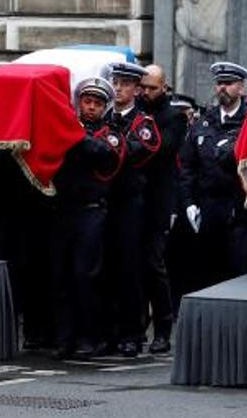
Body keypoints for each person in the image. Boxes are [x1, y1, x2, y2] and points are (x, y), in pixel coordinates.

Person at [50, 77, 124, 360]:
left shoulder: (109, 132)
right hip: (63, 211)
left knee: (86, 277)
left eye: (97, 103)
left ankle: (89, 338)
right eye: (86, 101)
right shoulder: (68, 130)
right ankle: (64, 338)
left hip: (91, 212)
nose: (91, 107)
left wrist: (74, 133)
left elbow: (104, 155)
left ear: (104, 107)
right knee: (61, 277)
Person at [104, 61, 161, 357]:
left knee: (129, 269)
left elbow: (132, 154)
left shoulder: (144, 123)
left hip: (129, 203)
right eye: (115, 82)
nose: (118, 88)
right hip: (105, 202)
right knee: (107, 268)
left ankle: (132, 333)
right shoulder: (105, 118)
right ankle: (110, 331)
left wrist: (107, 145)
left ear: (137, 89)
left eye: (125, 84)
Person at [177, 62, 247, 291]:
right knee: (206, 271)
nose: (222, 88)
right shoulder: (204, 121)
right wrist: (189, 202)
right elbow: (188, 166)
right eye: (219, 83)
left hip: (237, 207)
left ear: (241, 87)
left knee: (235, 270)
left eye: (228, 84)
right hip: (207, 207)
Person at [139, 64, 185, 353]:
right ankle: (135, 325)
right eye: (142, 87)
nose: (145, 92)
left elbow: (161, 150)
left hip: (156, 201)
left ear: (164, 88)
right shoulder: (138, 113)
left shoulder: (174, 117)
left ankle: (163, 328)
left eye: (152, 88)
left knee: (154, 266)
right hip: (134, 201)